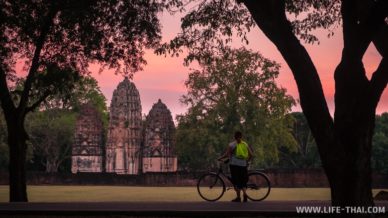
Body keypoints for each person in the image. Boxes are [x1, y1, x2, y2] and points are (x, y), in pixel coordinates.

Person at [218, 131, 253, 202]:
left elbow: (227, 155)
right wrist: (247, 162)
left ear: (234, 137)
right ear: (241, 136)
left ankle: (238, 197)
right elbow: (251, 155)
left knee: (236, 182)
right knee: (243, 181)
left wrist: (220, 158)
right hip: (243, 165)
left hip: (234, 165)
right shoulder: (245, 144)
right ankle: (245, 194)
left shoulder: (232, 145)